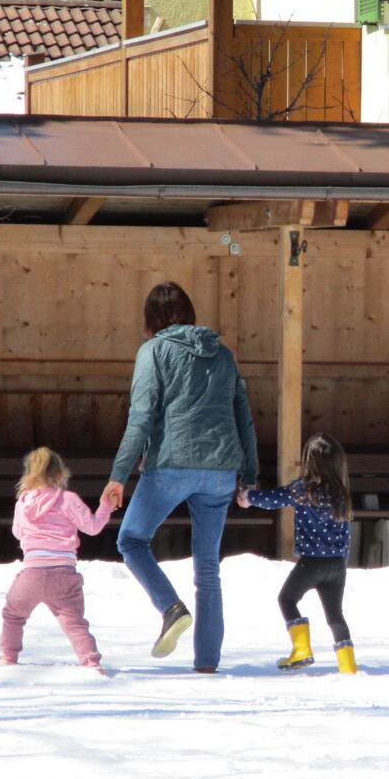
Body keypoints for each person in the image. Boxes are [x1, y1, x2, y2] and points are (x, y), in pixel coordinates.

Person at [104, 282, 258, 674]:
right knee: (208, 569)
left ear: (150, 319)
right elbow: (244, 416)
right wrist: (250, 474)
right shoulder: (223, 355)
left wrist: (119, 475)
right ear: (189, 312)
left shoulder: (153, 351)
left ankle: (171, 608)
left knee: (132, 539)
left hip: (172, 465)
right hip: (222, 471)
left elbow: (140, 416)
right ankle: (207, 665)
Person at [238, 433, 357, 674]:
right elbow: (347, 533)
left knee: (287, 600)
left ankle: (302, 649)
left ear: (309, 462)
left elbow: (273, 499)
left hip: (311, 563)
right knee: (335, 615)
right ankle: (348, 665)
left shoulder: (304, 489)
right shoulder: (341, 494)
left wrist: (248, 497)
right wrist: (341, 562)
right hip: (337, 564)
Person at [0, 447, 115, 674]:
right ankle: (92, 662)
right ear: (61, 475)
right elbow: (92, 527)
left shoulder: (23, 502)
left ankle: (8, 656)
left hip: (32, 573)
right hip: (64, 574)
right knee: (74, 623)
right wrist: (106, 506)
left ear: (29, 475)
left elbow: (17, 532)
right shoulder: (68, 499)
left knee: (13, 615)